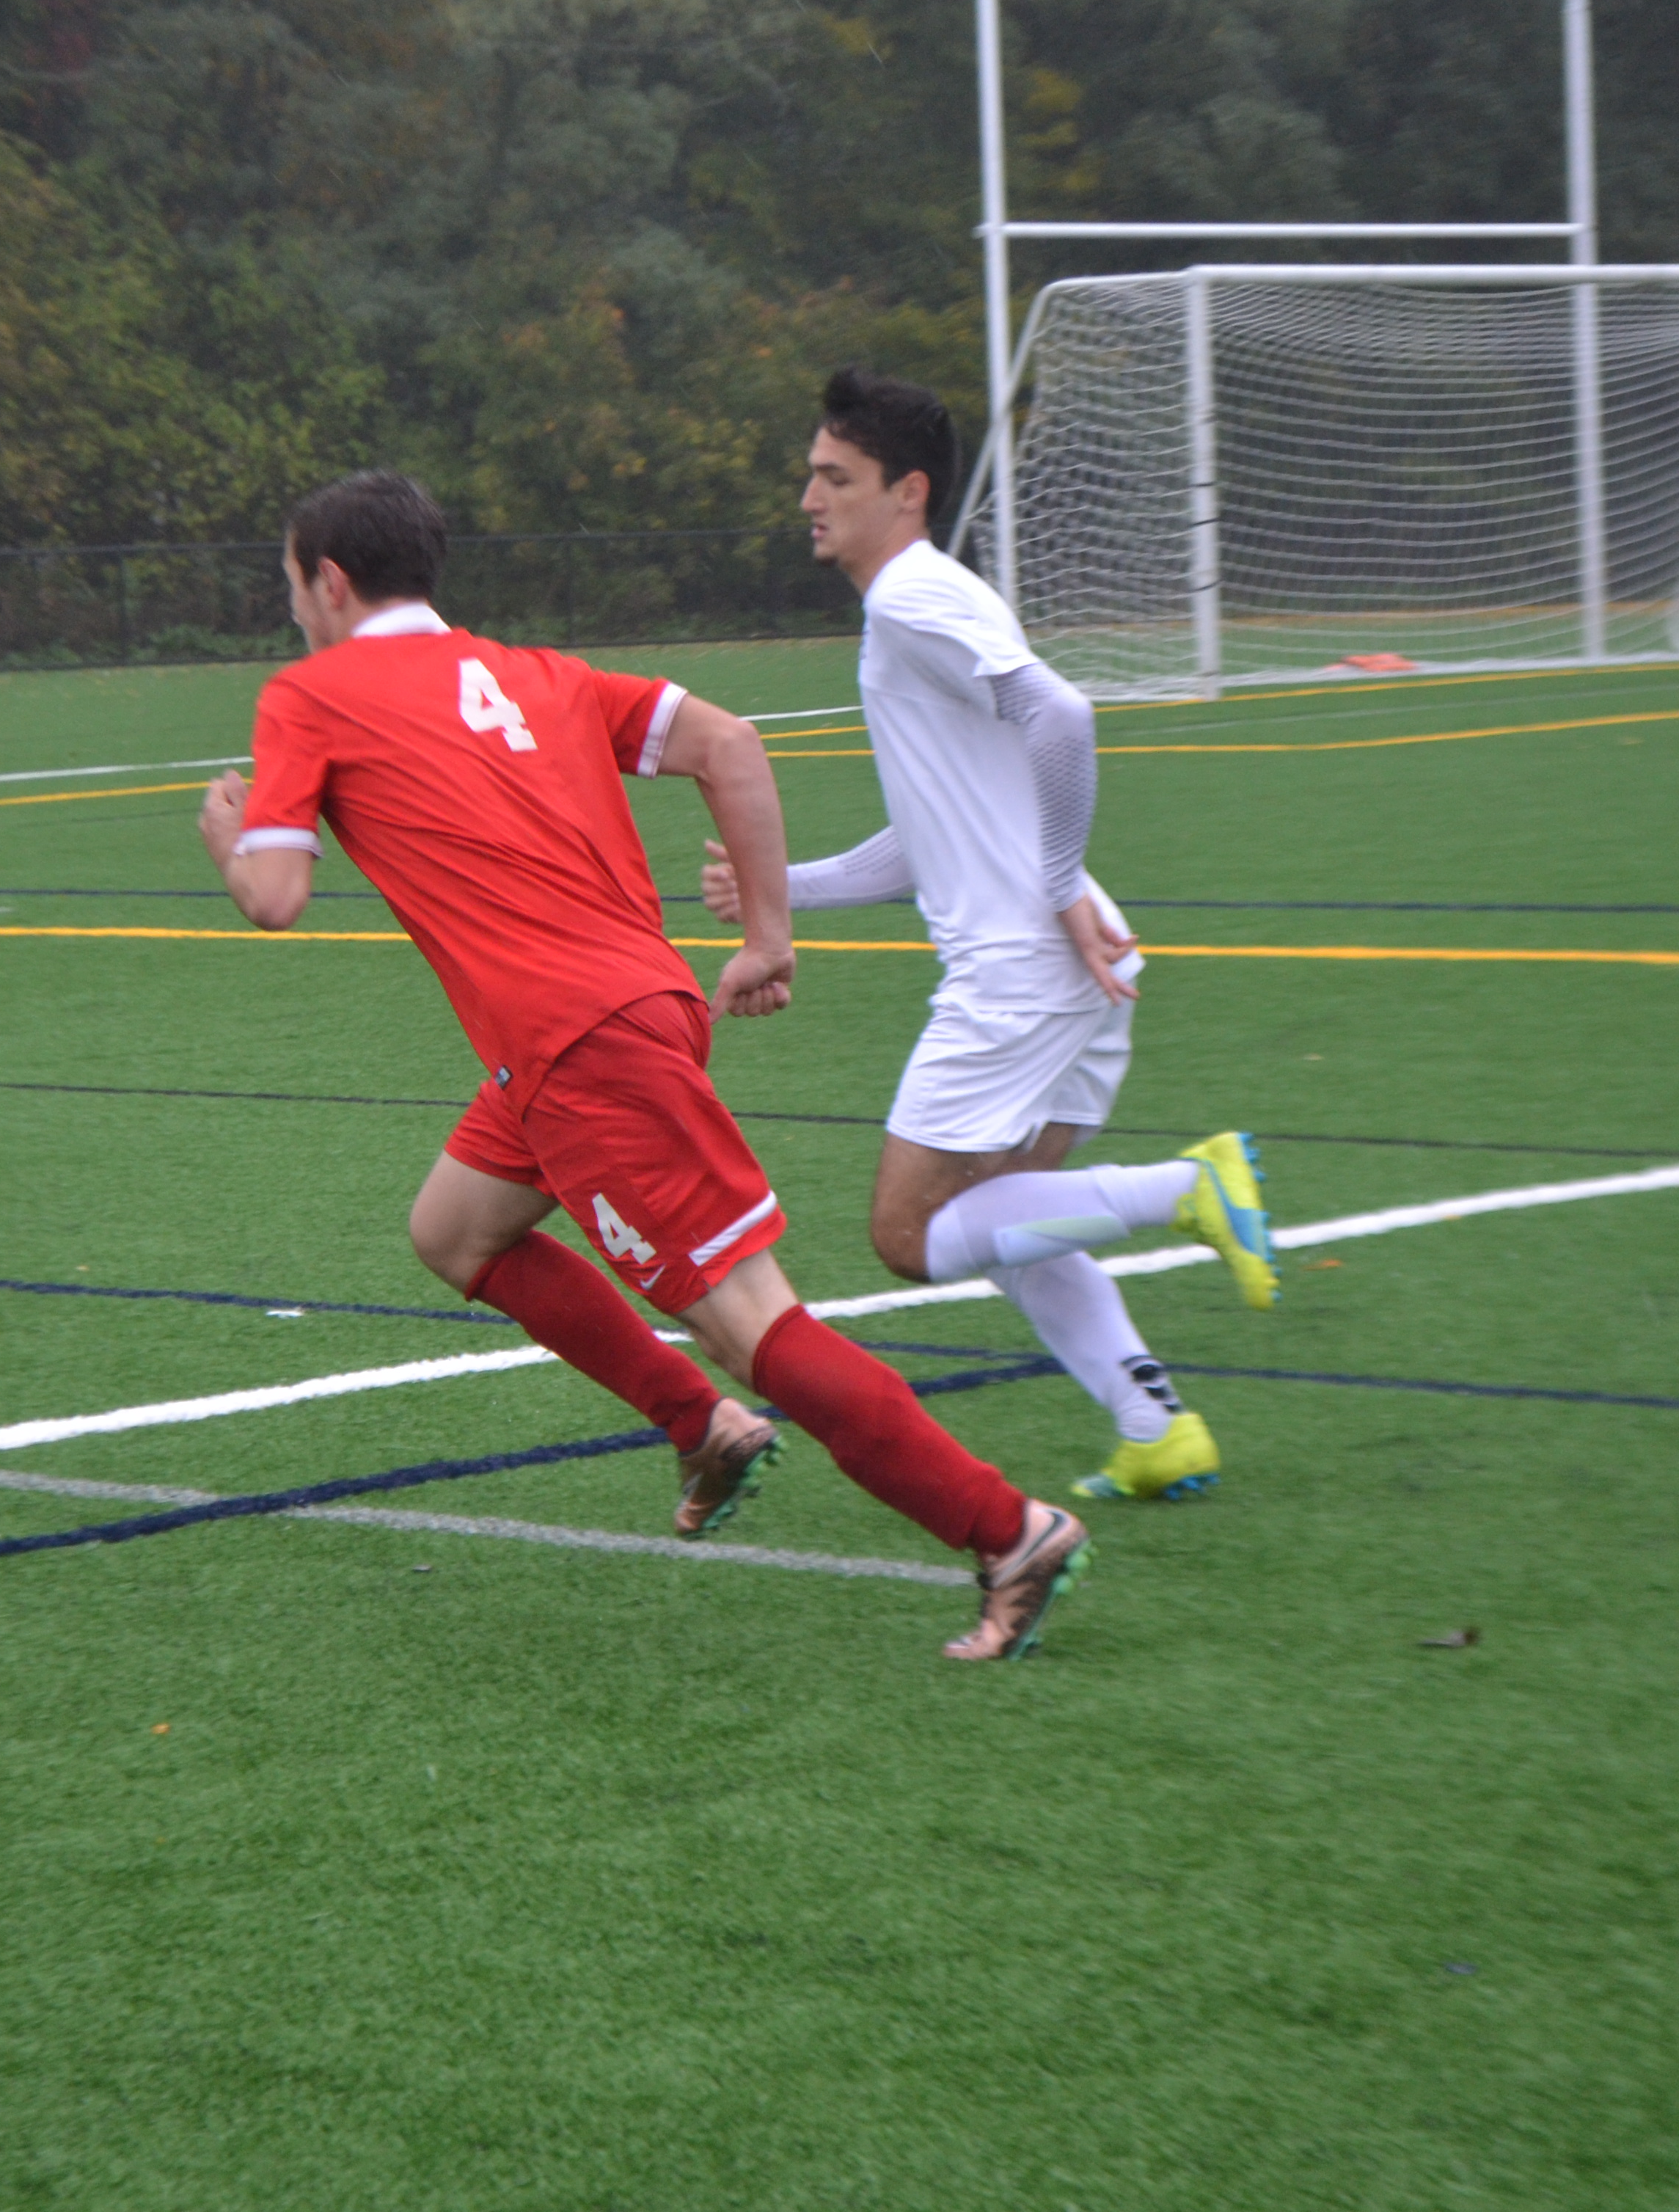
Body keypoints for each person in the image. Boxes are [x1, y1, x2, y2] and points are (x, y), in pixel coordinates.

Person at [198, 470, 1089, 1662]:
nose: (292, 611)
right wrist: (767, 936)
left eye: (292, 585)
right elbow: (729, 742)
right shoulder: (541, 674)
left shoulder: (310, 693)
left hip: (582, 1048)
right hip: (624, 1012)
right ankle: (704, 1426)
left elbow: (275, 896)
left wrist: (228, 838)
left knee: (752, 1320)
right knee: (456, 1233)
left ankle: (1007, 1531)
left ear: (333, 581)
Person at [702, 368, 1278, 1507]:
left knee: (911, 1234)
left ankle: (1186, 1188)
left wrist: (1056, 878)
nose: (809, 497)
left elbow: (1063, 715)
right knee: (1001, 1217)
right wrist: (785, 888)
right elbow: (934, 834)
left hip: (1026, 971)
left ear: (904, 493)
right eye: (811, 474)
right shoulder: (919, 609)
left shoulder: (913, 598)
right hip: (1073, 965)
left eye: (835, 478)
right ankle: (1153, 1423)